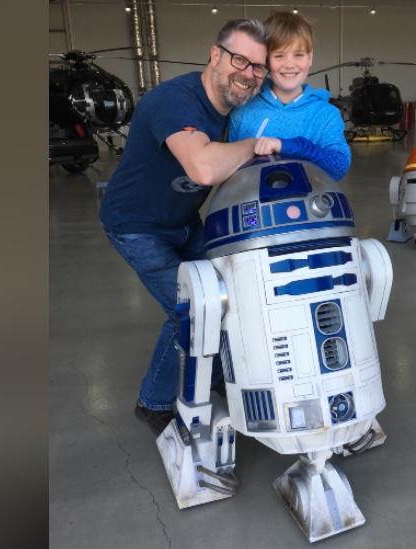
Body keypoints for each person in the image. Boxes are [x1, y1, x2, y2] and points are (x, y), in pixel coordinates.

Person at [99, 19, 270, 434]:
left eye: (258, 67)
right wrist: (251, 146)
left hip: (183, 221)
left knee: (228, 298)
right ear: (215, 55)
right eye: (239, 60)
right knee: (192, 312)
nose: (248, 73)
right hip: (136, 225)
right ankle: (154, 402)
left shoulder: (236, 113)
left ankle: (204, 378)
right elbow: (205, 166)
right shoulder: (173, 101)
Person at [228, 11, 350, 181]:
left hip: (307, 205)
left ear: (310, 58)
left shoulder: (327, 115)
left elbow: (339, 166)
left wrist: (290, 146)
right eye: (279, 55)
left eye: (298, 55)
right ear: (266, 60)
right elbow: (228, 173)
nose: (289, 65)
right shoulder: (243, 110)